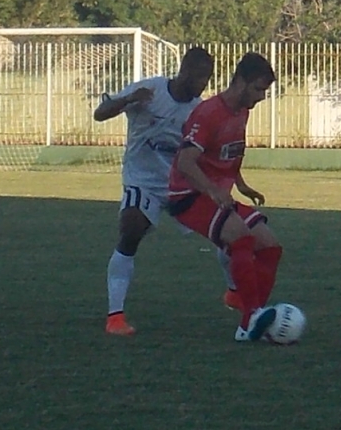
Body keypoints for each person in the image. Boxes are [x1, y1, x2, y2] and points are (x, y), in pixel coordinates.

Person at [95, 47, 236, 336]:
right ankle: (115, 317)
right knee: (130, 230)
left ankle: (235, 292)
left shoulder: (200, 110)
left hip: (181, 186)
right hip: (142, 182)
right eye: (199, 76)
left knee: (227, 231)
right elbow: (100, 114)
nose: (203, 84)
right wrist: (128, 100)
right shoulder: (150, 90)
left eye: (207, 78)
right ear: (183, 71)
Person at [167, 52, 282, 342]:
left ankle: (254, 317)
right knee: (241, 239)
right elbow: (185, 163)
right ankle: (251, 318)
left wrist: (240, 184)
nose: (261, 97)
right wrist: (215, 190)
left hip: (216, 196)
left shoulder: (242, 111)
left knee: (270, 246)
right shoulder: (208, 113)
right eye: (258, 89)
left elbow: (230, 152)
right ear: (240, 81)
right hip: (188, 195)